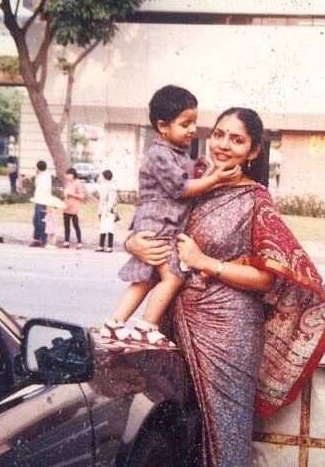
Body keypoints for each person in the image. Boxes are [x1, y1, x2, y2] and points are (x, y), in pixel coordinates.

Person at [125, 107, 325, 467]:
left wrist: (207, 263)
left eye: (236, 140)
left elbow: (270, 278)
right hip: (177, 321)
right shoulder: (191, 180)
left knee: (222, 434)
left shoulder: (254, 201)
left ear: (253, 151)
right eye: (219, 134)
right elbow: (149, 222)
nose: (223, 144)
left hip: (229, 330)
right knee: (174, 424)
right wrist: (133, 242)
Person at [101, 85, 240, 348]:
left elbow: (190, 175)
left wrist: (204, 170)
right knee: (172, 276)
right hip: (159, 224)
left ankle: (114, 324)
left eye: (194, 122)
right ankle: (146, 326)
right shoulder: (159, 154)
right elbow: (182, 187)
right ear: (163, 126)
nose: (192, 129)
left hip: (162, 224)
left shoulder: (175, 153)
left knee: (146, 278)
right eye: (185, 123)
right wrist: (215, 178)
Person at [29, 160, 52, 248]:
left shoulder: (45, 176)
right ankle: (36, 239)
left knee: (41, 221)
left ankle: (43, 240)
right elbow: (37, 186)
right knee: (35, 221)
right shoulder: (40, 175)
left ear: (38, 167)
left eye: (36, 167)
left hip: (43, 201)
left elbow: (45, 190)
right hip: (38, 200)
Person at [62, 167, 86, 249]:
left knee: (75, 225)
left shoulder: (78, 183)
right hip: (66, 206)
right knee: (66, 225)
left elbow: (82, 196)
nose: (67, 176)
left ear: (73, 175)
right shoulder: (68, 183)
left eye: (69, 174)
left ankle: (79, 242)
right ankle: (66, 241)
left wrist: (71, 194)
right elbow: (66, 192)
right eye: (67, 174)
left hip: (74, 207)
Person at [96, 169, 118, 253]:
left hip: (109, 210)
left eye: (101, 176)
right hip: (103, 209)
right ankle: (101, 245)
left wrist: (107, 211)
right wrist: (100, 211)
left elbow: (111, 200)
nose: (100, 177)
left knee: (109, 228)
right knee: (103, 228)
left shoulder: (111, 187)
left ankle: (109, 246)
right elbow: (101, 201)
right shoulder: (104, 186)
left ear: (105, 177)